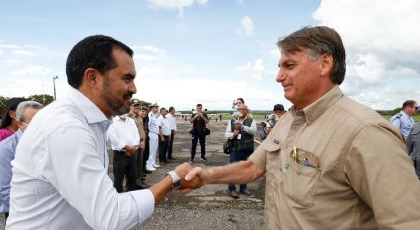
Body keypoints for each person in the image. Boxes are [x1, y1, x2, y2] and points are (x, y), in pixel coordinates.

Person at [184, 26, 420, 229]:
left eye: (289, 65)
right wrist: (206, 176)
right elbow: (253, 167)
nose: (278, 76)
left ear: (325, 63)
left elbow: (407, 222)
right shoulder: (288, 119)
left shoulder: (366, 132)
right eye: (280, 66)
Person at [6, 35, 199, 230]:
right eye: (127, 78)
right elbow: (112, 217)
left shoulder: (90, 121)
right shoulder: (65, 127)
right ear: (93, 78)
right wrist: (173, 178)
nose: (134, 88)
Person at [0, 101, 42, 225]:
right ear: (19, 123)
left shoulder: (47, 142)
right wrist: (37, 207)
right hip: (22, 214)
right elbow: (4, 192)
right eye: (35, 123)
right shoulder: (5, 149)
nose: (41, 126)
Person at [224, 104, 256, 198]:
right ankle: (232, 189)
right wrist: (233, 134)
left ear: (247, 110)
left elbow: (253, 131)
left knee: (246, 169)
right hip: (235, 148)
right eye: (239, 109)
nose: (241, 111)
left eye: (243, 109)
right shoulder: (232, 120)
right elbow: (226, 134)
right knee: (232, 169)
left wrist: (242, 127)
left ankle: (243, 188)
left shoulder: (251, 120)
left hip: (247, 148)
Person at [107, 111, 140, 193]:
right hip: (120, 154)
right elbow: (114, 138)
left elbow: (137, 135)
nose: (124, 112)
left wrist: (133, 147)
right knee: (118, 178)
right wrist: (127, 148)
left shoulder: (131, 121)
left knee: (132, 177)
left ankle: (132, 195)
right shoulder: (113, 121)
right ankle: (118, 198)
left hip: (132, 152)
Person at [128, 98, 146, 188]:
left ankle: (138, 182)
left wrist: (143, 141)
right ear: (130, 106)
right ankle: (132, 184)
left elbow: (141, 130)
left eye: (137, 106)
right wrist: (138, 142)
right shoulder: (128, 117)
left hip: (141, 143)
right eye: (134, 106)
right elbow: (129, 132)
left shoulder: (139, 117)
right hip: (134, 144)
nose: (136, 107)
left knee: (139, 164)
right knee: (133, 165)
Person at [146, 103, 160, 171]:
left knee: (154, 150)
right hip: (151, 134)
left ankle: (153, 163)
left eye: (157, 107)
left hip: (155, 134)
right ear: (152, 108)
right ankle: (149, 165)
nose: (157, 108)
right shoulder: (150, 115)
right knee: (151, 150)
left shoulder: (154, 115)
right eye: (156, 107)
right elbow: (147, 125)